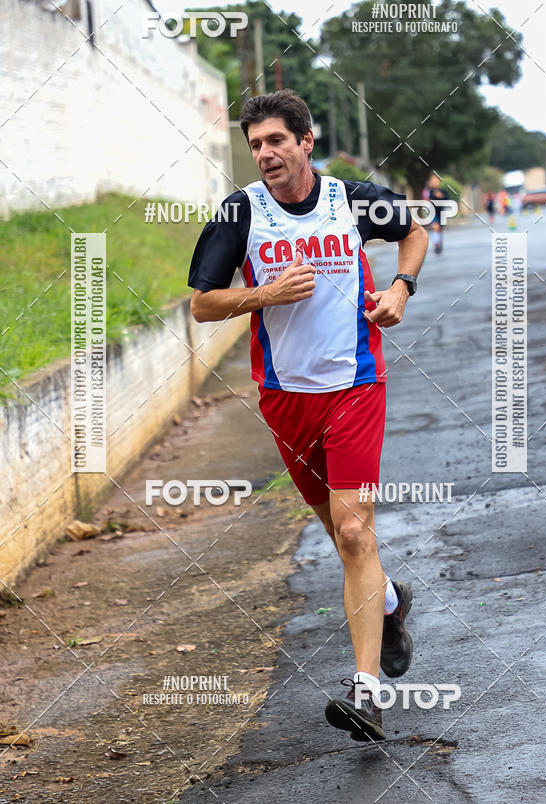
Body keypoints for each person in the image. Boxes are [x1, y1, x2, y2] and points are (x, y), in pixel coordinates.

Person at [188, 89, 428, 742]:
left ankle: (367, 692)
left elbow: (414, 230)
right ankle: (388, 601)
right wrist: (264, 294)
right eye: (256, 143)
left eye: (275, 141)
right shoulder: (242, 211)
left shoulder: (351, 199)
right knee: (334, 525)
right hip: (285, 397)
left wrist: (401, 289)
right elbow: (202, 304)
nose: (265, 153)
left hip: (355, 382)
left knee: (354, 530)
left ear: (306, 141)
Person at [424, 174, 449, 253]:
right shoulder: (429, 191)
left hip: (441, 212)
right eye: (433, 180)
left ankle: (439, 243)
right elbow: (428, 200)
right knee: (436, 227)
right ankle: (436, 244)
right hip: (433, 212)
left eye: (436, 180)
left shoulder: (443, 191)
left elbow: (448, 200)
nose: (434, 182)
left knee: (440, 229)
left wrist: (441, 196)